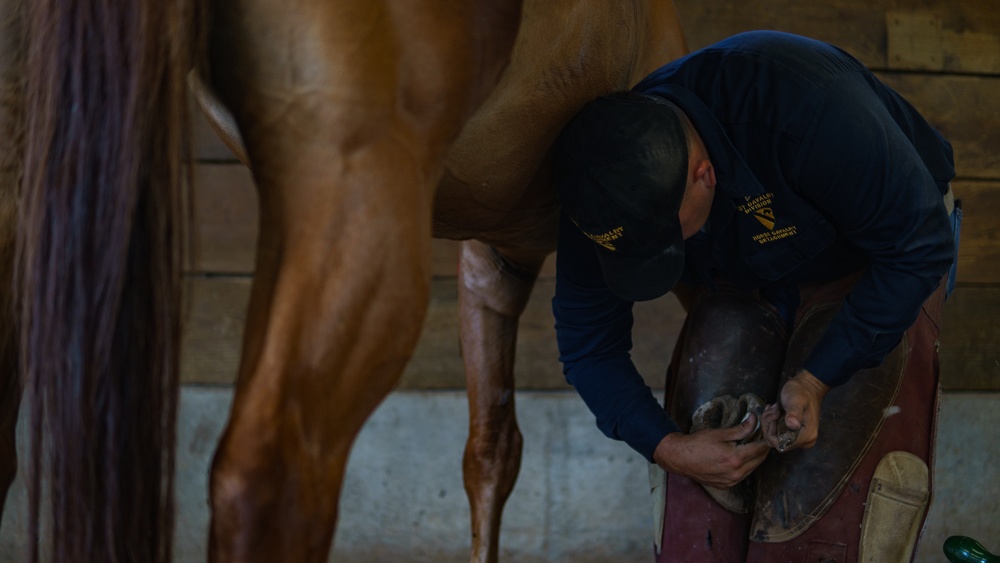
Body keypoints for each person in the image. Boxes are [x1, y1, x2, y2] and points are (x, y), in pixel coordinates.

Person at [551, 31, 960, 562]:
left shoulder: (807, 110)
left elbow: (917, 246)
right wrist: (669, 448)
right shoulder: (601, 195)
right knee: (698, 516)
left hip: (884, 250)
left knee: (822, 510)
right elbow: (588, 347)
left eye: (663, 241)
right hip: (741, 270)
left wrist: (815, 378)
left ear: (704, 175)